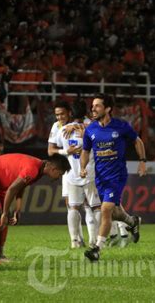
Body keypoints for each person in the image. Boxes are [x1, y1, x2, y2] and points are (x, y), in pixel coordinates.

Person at [81, 93, 147, 262]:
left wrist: (142, 161)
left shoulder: (121, 126)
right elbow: (85, 151)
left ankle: (97, 248)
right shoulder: (91, 129)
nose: (93, 109)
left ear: (108, 108)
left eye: (97, 106)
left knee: (105, 210)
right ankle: (132, 221)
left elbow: (137, 141)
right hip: (100, 178)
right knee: (114, 211)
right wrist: (82, 167)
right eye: (92, 106)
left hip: (116, 176)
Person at [0, 153, 71, 264]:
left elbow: (20, 187)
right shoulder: (33, 169)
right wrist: (4, 213)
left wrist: (17, 209)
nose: (59, 178)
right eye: (60, 174)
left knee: (5, 215)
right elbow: (12, 189)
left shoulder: (39, 169)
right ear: (54, 169)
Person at [56, 100, 101, 248]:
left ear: (71, 113)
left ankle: (74, 240)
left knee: (73, 208)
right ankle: (95, 241)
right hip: (90, 173)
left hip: (72, 174)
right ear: (86, 112)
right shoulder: (92, 129)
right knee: (95, 207)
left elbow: (56, 149)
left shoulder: (63, 130)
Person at [48, 101, 87, 247]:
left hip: (87, 171)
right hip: (69, 170)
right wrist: (66, 152)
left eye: (62, 114)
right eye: (57, 115)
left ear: (70, 112)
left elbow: (96, 127)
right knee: (71, 204)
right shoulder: (56, 127)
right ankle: (77, 239)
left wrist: (77, 126)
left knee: (91, 205)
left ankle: (110, 233)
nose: (59, 117)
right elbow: (50, 151)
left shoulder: (83, 121)